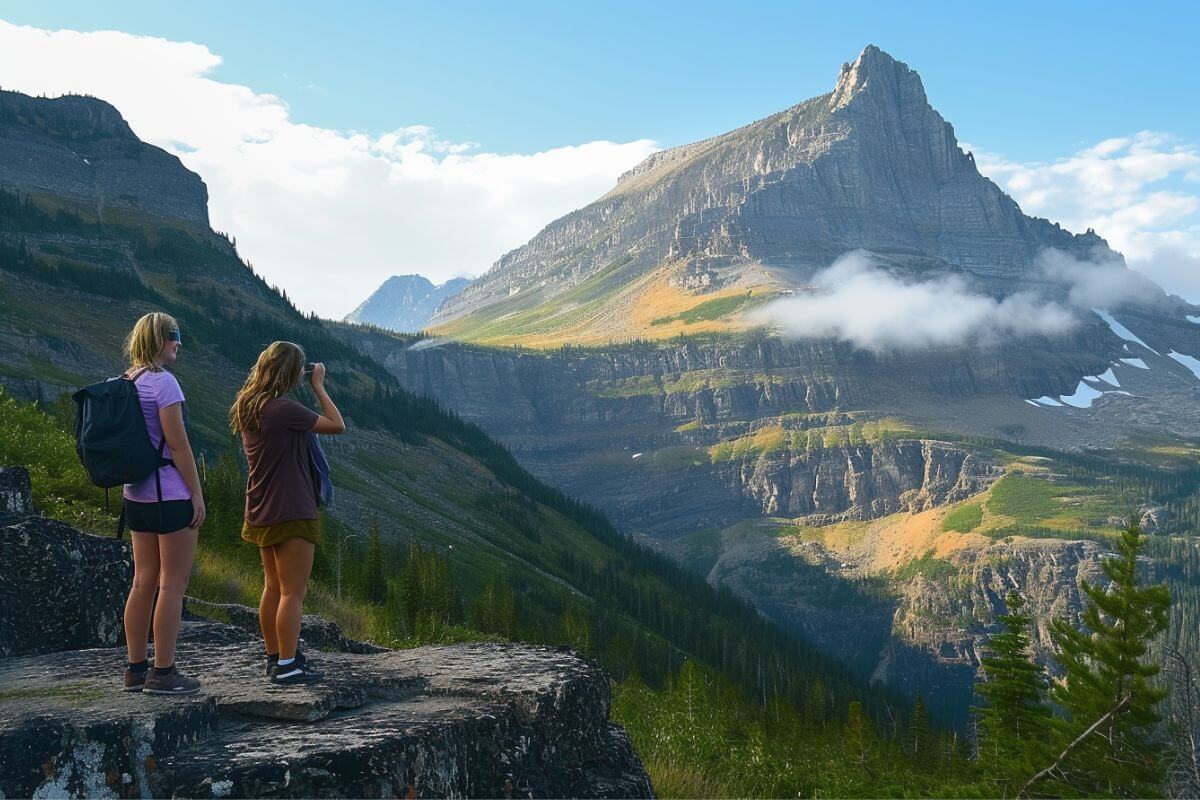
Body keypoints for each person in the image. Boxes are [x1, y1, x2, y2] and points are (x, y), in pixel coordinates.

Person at [229, 341, 345, 684]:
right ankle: (288, 666)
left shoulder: (248, 404)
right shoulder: (283, 409)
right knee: (294, 592)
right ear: (289, 371)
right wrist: (319, 385)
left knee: (273, 588)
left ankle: (275, 655)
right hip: (292, 508)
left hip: (261, 506)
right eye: (300, 368)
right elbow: (336, 424)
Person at [121, 312, 206, 695]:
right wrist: (197, 492)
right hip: (170, 496)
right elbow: (177, 443)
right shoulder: (164, 384)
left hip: (135, 496)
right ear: (157, 340)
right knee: (173, 585)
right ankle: (165, 673)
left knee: (143, 581)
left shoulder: (125, 381)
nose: (179, 341)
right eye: (174, 335)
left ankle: (136, 668)